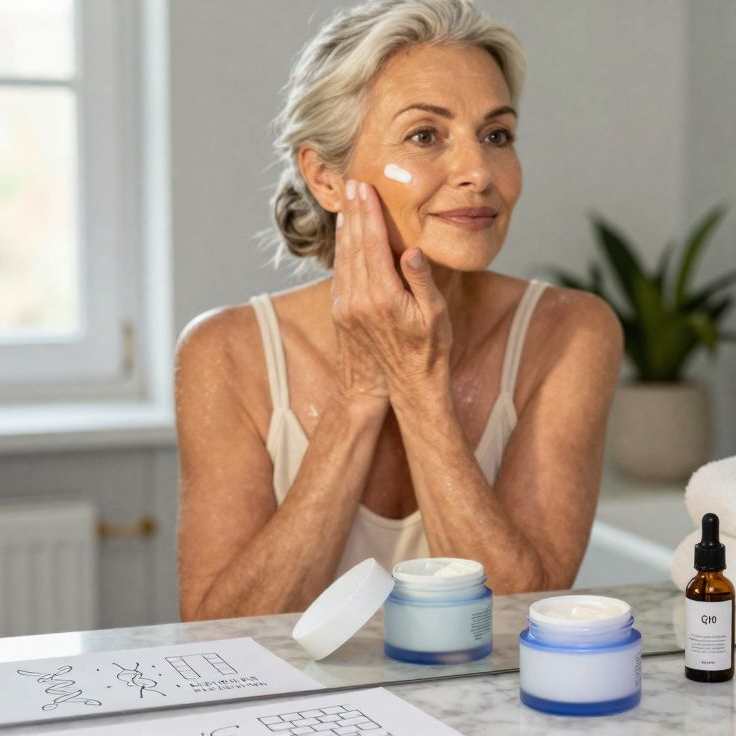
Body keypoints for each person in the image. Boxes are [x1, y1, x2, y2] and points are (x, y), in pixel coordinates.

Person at [174, 0, 622, 621]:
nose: (478, 172)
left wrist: (416, 383)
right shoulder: (224, 354)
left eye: (496, 136)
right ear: (325, 178)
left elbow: (520, 618)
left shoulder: (570, 333)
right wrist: (359, 395)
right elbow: (219, 637)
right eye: (424, 135)